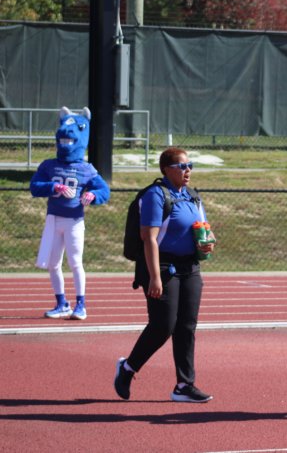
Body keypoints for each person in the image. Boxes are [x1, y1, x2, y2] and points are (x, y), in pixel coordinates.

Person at [114, 147, 216, 403]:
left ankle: (184, 385)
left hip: (190, 268)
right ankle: (128, 368)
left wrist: (208, 242)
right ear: (166, 169)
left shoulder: (192, 196)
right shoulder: (155, 195)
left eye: (190, 165)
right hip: (162, 267)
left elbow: (204, 228)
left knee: (187, 327)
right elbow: (149, 238)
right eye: (182, 166)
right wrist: (154, 277)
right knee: (163, 326)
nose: (187, 170)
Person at [30, 107, 110, 321]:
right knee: (53, 264)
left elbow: (104, 190)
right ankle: (61, 303)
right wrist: (53, 187)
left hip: (74, 221)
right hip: (53, 220)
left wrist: (93, 195)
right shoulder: (49, 165)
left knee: (75, 263)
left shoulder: (86, 168)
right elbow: (34, 186)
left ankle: (81, 304)